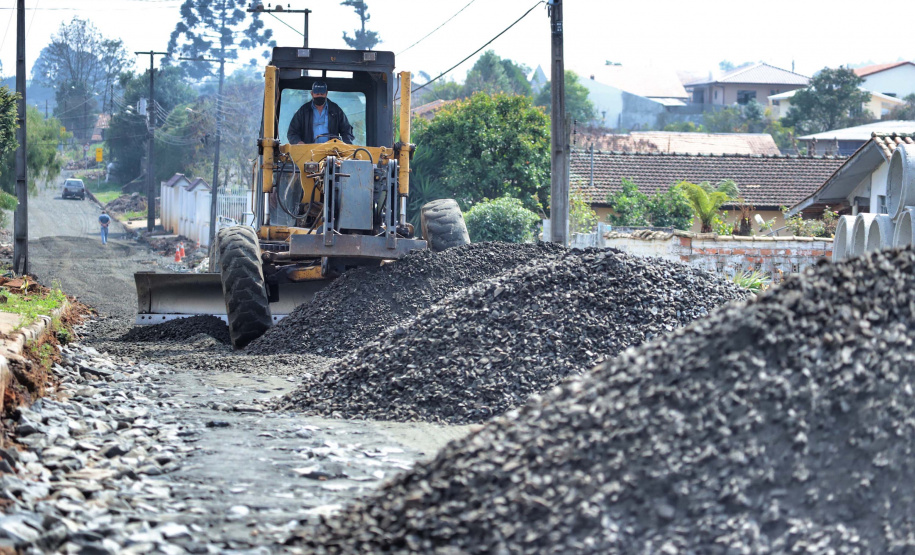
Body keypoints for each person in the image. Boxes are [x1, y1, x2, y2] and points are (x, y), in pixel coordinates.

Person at [287, 81, 355, 145]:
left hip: (332, 151)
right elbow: (292, 132)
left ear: (326, 93)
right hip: (309, 151)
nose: (319, 96)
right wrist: (298, 142)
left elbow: (347, 130)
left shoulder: (336, 110)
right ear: (312, 93)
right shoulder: (303, 111)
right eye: (317, 94)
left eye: (322, 94)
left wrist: (346, 144)